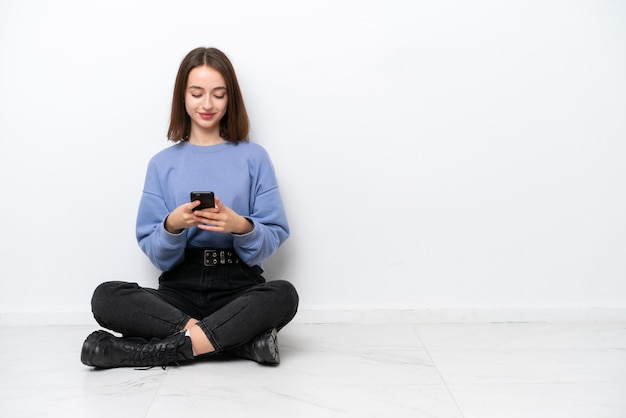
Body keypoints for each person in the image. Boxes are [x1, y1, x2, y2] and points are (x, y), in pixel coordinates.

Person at [80, 47, 299, 369]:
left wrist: (241, 226)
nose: (207, 104)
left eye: (218, 94)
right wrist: (172, 226)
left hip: (238, 285)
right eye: (197, 93)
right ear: (182, 96)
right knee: (107, 296)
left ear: (231, 99)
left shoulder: (254, 157)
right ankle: (241, 342)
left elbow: (275, 234)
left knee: (283, 294)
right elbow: (157, 253)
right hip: (179, 289)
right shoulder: (162, 164)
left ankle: (146, 352)